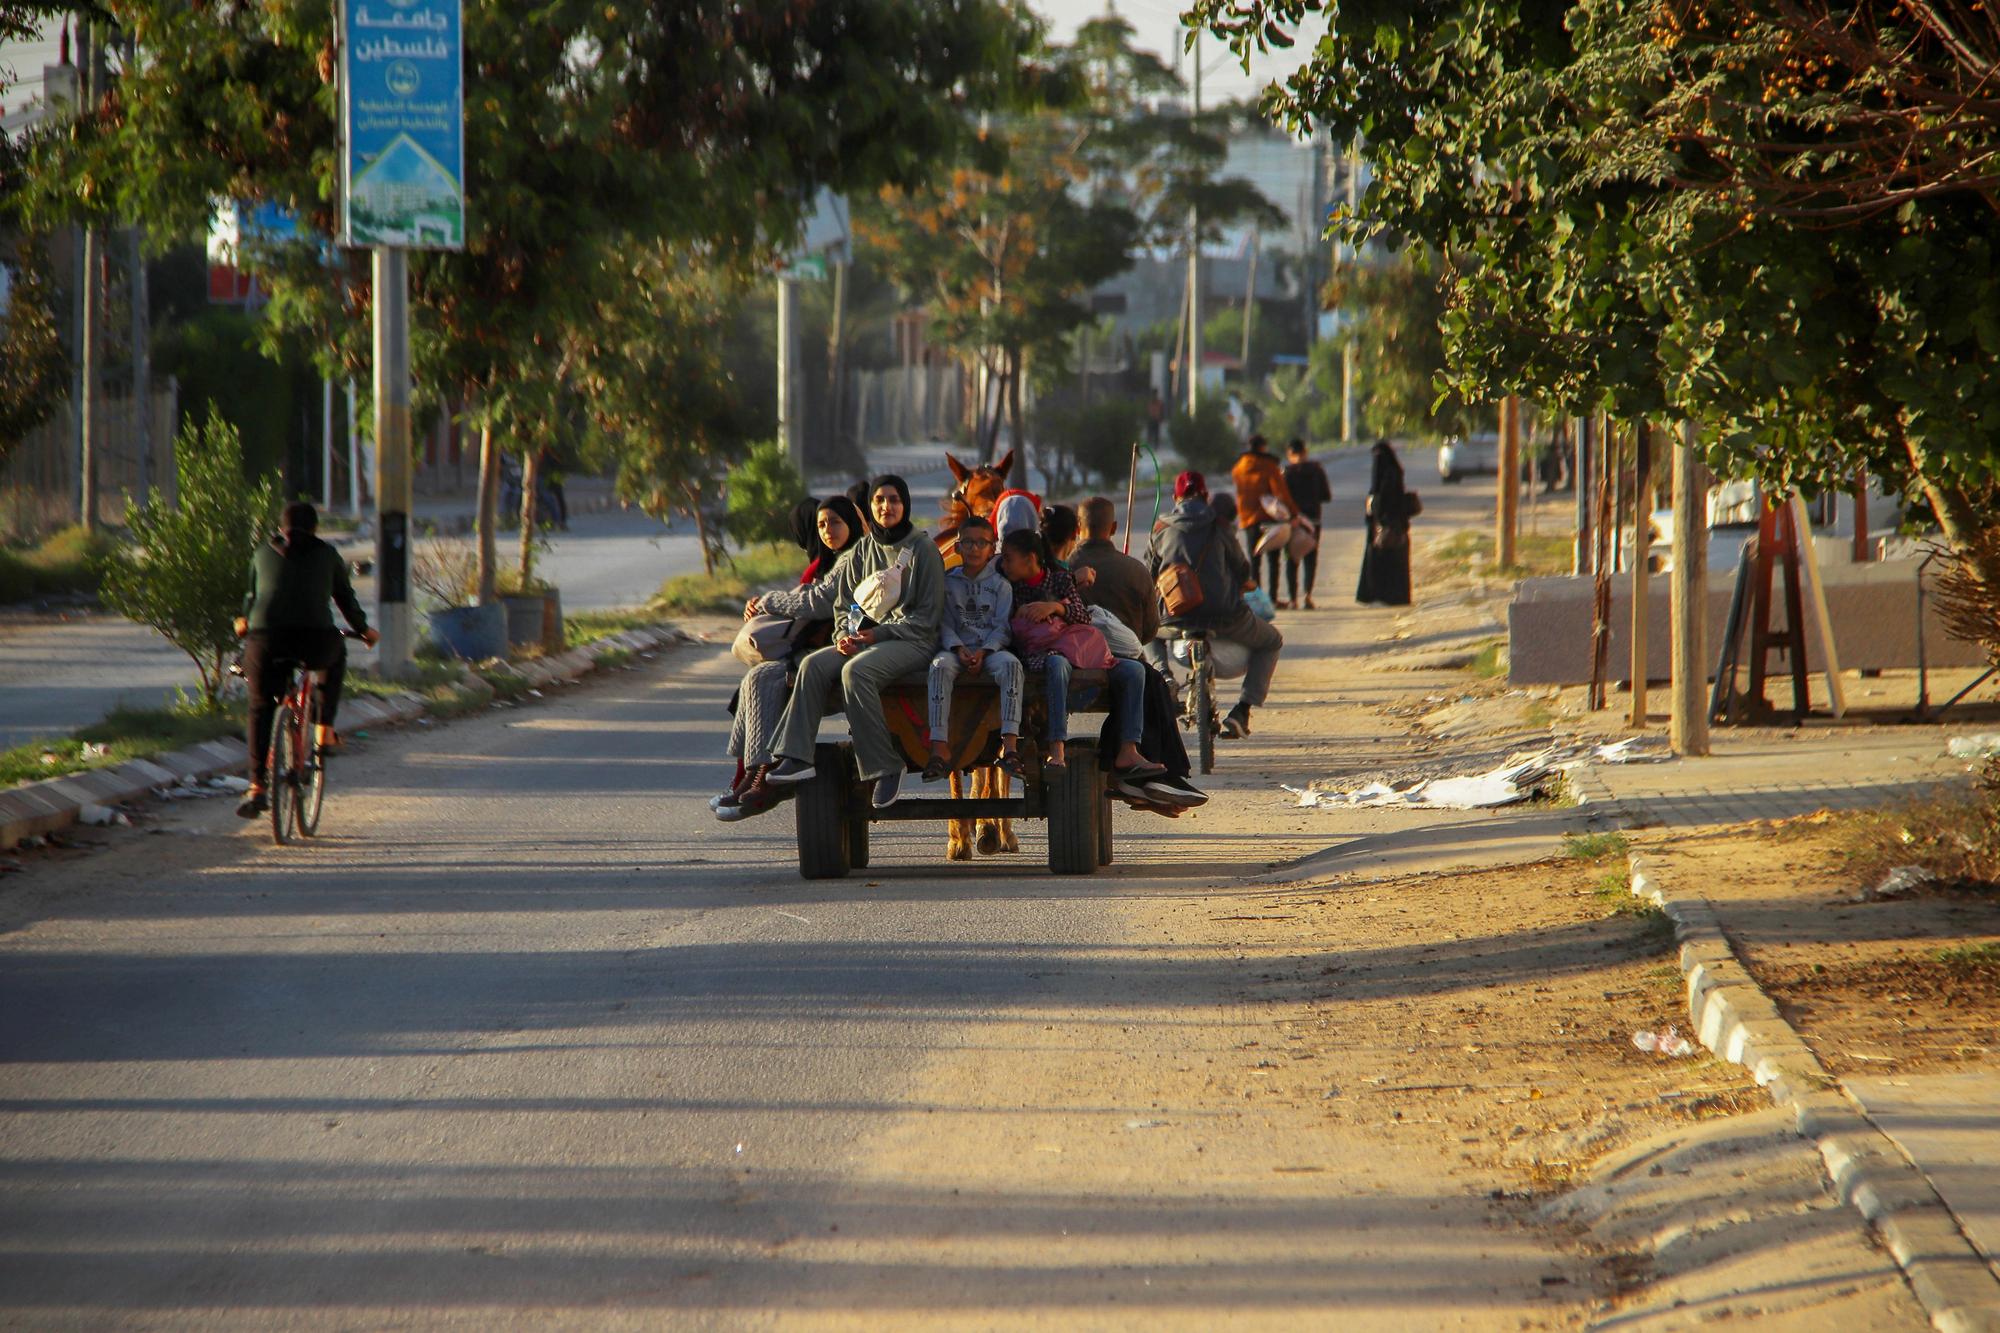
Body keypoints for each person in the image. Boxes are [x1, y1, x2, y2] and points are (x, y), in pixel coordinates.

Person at [765, 475, 946, 809]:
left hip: (912, 640)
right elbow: (844, 603)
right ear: (870, 506)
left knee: (856, 672)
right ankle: (796, 755)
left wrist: (876, 635)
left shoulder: (923, 550)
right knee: (813, 664)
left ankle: (886, 766)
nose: (886, 507)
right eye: (879, 500)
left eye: (893, 500)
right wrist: (844, 637)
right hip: (864, 638)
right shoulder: (863, 549)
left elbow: (927, 618)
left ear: (904, 504)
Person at [715, 495, 863, 821]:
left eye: (835, 522)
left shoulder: (854, 556)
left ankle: (762, 779)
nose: (827, 530)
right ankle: (754, 776)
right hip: (831, 644)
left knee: (766, 677)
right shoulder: (836, 558)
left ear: (852, 523)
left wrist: (769, 600)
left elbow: (821, 602)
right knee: (758, 677)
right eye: (822, 524)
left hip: (853, 646)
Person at [233, 501, 380, 819]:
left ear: (280, 528)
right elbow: (345, 599)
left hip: (265, 641)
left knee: (260, 707)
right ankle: (324, 728)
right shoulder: (327, 555)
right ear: (315, 529)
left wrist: (244, 620)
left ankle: (257, 785)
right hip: (315, 640)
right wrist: (364, 630)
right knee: (336, 653)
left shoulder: (262, 554)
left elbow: (251, 597)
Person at [1066, 497, 1205, 808]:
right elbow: (1148, 633)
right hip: (1118, 662)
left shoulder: (1062, 568)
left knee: (1150, 681)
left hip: (1068, 660)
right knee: (1153, 684)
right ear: (1113, 528)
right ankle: (1158, 775)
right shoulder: (1134, 570)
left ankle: (1149, 778)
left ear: (1077, 529)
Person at [997, 528, 1164, 786]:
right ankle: (1057, 746)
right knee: (1057, 664)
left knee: (1135, 671)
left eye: (1008, 558)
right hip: (1043, 657)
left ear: (1030, 559)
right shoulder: (1008, 587)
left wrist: (1055, 607)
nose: (1003, 563)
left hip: (1079, 651)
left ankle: (1129, 750)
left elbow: (1083, 616)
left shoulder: (1061, 580)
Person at [1150, 470, 1283, 739]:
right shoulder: (1221, 526)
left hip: (1176, 618)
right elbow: (1242, 570)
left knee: (1147, 631)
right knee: (1272, 641)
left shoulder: (1161, 529)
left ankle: (1164, 677)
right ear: (1206, 496)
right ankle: (1242, 711)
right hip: (1225, 617)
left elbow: (1150, 573)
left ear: (1176, 497)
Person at [923, 515, 1024, 782]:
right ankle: (939, 747)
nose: (975, 549)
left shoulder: (1001, 586)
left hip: (989, 652)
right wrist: (957, 648)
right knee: (938, 667)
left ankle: (1010, 745)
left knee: (1012, 666)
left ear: (993, 549)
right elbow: (942, 623)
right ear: (957, 548)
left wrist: (985, 651)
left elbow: (1003, 627)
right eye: (968, 543)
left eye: (982, 543)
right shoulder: (947, 583)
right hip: (955, 650)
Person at [1230, 433, 1296, 601]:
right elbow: (1281, 493)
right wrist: (1293, 513)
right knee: (1273, 560)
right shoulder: (1269, 465)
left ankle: (1256, 600)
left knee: (1254, 562)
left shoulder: (1238, 468)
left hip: (1248, 519)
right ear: (1262, 447)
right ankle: (1273, 598)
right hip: (1269, 519)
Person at [1357, 438, 1413, 606]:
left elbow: (1382, 501)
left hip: (1385, 525)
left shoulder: (1388, 476)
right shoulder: (1395, 472)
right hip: (1396, 525)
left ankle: (1382, 595)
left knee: (1382, 559)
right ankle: (1392, 595)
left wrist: (1376, 515)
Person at [1281, 438, 1332, 610]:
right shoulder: (1317, 470)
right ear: (1305, 452)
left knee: (1291, 558)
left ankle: (1293, 599)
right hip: (1313, 521)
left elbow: (1283, 499)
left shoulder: (1286, 473)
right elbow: (1326, 495)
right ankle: (1307, 596)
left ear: (1290, 454)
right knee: (1311, 558)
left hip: (1294, 521)